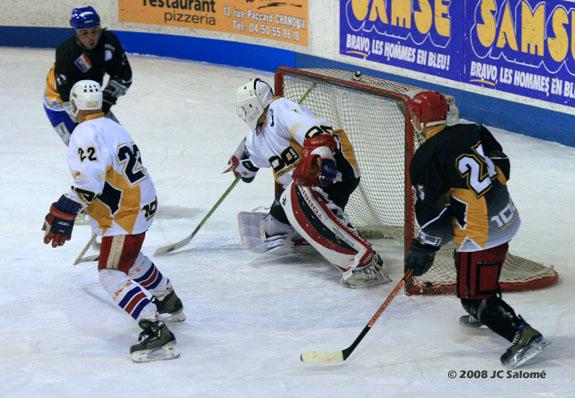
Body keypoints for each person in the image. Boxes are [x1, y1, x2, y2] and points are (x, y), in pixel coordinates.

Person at [404, 90, 551, 369]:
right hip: (507, 217)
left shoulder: (424, 157)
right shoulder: (473, 130)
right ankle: (488, 308)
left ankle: (523, 335)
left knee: (472, 297)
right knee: (471, 270)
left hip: (482, 234)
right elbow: (503, 165)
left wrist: (424, 246)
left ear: (418, 119)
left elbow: (433, 215)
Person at [42, 80, 183, 363]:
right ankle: (167, 298)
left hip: (125, 212)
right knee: (128, 256)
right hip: (143, 200)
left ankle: (155, 328)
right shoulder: (114, 125)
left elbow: (89, 181)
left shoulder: (83, 132)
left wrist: (65, 208)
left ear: (74, 106)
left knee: (110, 272)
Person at [226, 78, 391, 288]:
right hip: (303, 183)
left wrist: (321, 155)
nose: (243, 114)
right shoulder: (256, 137)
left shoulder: (279, 108)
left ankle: (363, 261)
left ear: (253, 103)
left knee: (295, 197)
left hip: (334, 171)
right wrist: (241, 163)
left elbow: (317, 133)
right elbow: (250, 160)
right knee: (273, 230)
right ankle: (313, 233)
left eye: (243, 108)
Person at [43, 6, 132, 146]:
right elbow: (66, 97)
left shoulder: (109, 43)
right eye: (84, 33)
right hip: (60, 105)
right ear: (76, 32)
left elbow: (123, 76)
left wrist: (106, 101)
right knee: (86, 151)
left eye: (95, 31)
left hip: (93, 99)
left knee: (121, 145)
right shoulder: (66, 54)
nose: (91, 37)